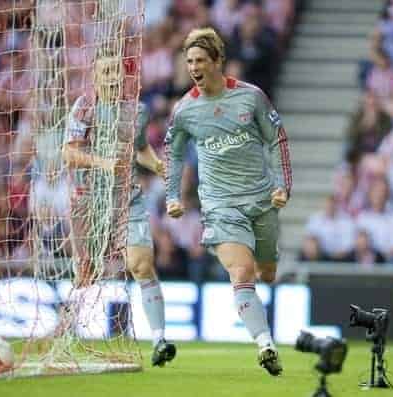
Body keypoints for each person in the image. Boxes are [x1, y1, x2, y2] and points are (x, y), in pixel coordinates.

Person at [164, 28, 292, 376]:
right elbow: (173, 156)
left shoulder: (251, 98)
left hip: (261, 201)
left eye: (200, 60)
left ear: (217, 61)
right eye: (189, 61)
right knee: (242, 271)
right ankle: (265, 344)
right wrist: (173, 196)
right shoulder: (185, 109)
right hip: (220, 206)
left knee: (266, 272)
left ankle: (263, 321)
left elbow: (277, 139)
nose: (193, 67)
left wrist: (282, 186)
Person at [62, 51, 176, 367]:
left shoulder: (137, 111)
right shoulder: (84, 109)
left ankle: (159, 340)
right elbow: (69, 154)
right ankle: (65, 338)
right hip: (89, 201)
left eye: (116, 71)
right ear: (95, 78)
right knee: (85, 273)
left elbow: (138, 149)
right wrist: (102, 162)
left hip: (127, 200)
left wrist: (157, 166)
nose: (113, 77)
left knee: (141, 265)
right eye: (106, 72)